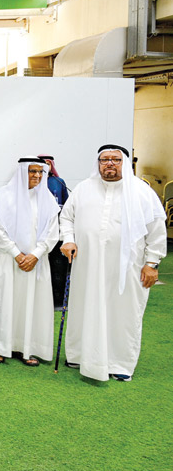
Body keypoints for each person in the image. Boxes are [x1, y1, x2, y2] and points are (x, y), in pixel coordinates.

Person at [59, 144, 166, 382]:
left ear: (124, 163)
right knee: (84, 306)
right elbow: (67, 218)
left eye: (115, 160)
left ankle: (119, 363)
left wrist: (152, 263)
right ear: (98, 164)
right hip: (87, 264)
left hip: (128, 267)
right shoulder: (84, 189)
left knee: (123, 313)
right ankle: (78, 355)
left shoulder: (142, 192)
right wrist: (68, 240)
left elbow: (157, 230)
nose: (109, 164)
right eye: (104, 159)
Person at [0, 157, 59, 366]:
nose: (37, 175)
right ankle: (1, 347)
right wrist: (17, 254)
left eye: (40, 172)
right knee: (5, 302)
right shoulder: (3, 196)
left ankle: (28, 348)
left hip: (36, 262)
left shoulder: (47, 199)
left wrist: (35, 254)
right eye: (32, 171)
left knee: (33, 305)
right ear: (21, 172)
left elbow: (52, 232)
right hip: (7, 259)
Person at [38, 154, 71, 306]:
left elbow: (66, 205)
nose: (46, 166)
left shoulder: (58, 182)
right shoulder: (32, 181)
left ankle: (58, 299)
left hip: (56, 230)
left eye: (48, 163)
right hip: (38, 230)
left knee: (57, 265)